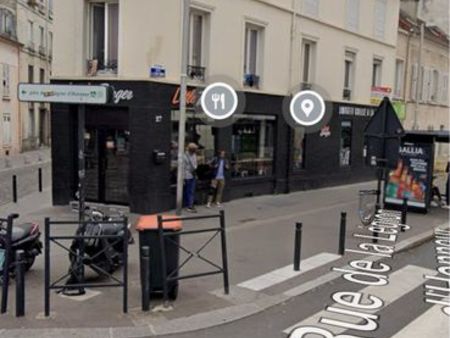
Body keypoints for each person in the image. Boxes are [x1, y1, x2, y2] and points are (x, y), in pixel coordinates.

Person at [183, 143, 198, 213]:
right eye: (194, 150)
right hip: (187, 175)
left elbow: (195, 165)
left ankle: (190, 204)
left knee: (191, 190)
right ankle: (189, 205)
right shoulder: (184, 156)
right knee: (189, 190)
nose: (195, 151)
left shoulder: (194, 155)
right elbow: (183, 167)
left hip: (193, 174)